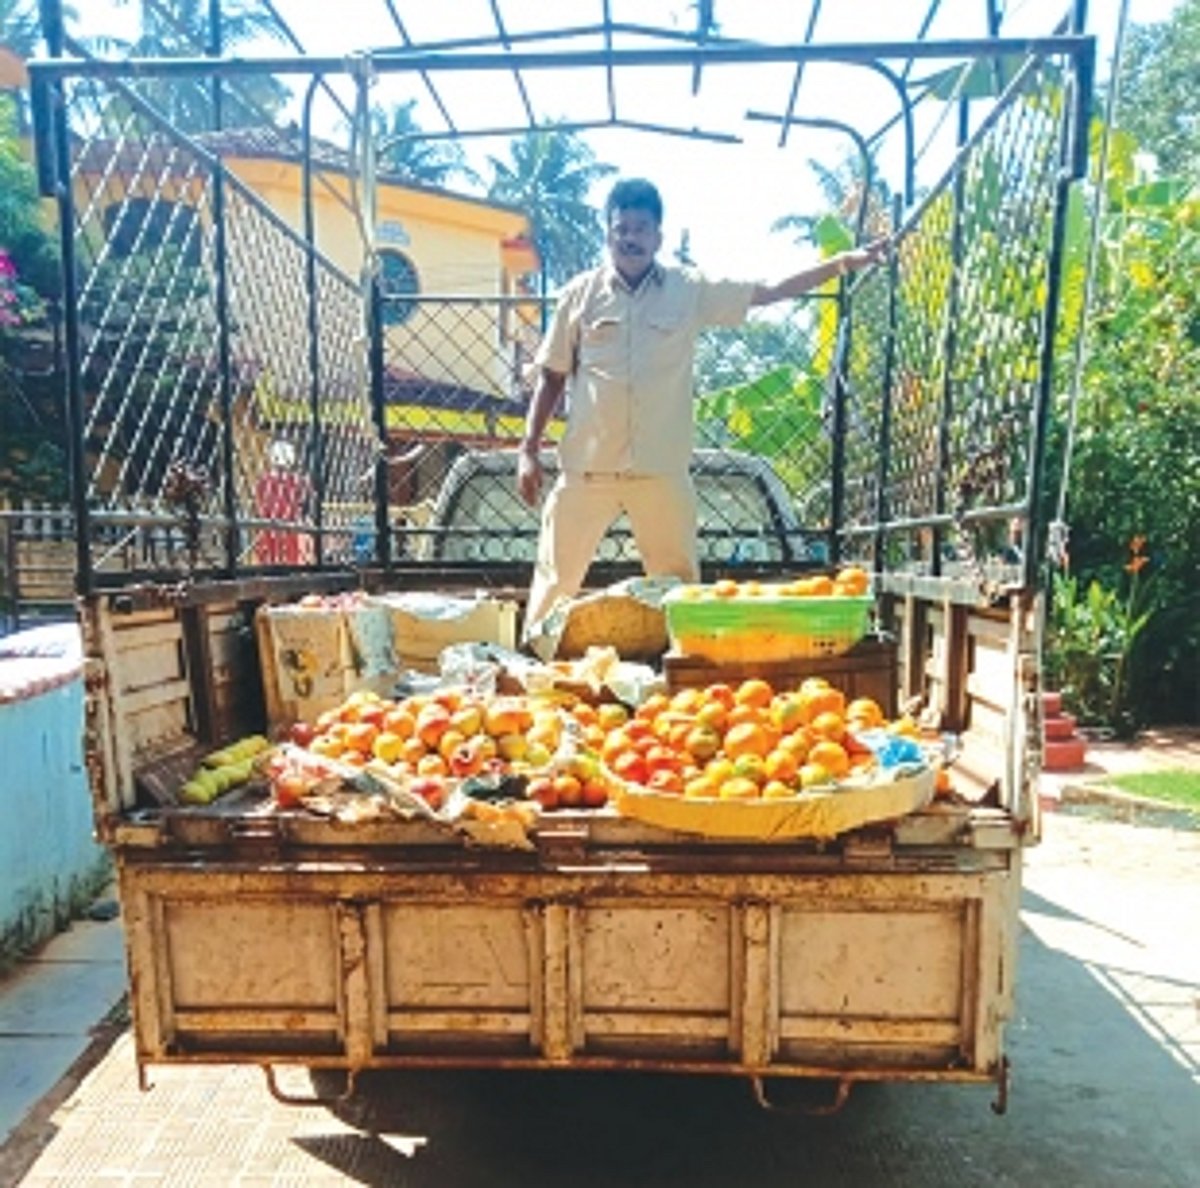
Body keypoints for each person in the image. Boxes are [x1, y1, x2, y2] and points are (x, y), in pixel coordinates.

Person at [517, 177, 887, 633]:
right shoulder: (579, 294)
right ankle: (530, 675)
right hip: (587, 470)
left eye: (640, 228)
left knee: (679, 594)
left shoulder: (688, 289)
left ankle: (680, 687)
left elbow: (767, 290)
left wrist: (843, 262)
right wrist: (528, 450)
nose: (630, 238)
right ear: (608, 234)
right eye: (621, 228)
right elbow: (552, 375)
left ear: (658, 236)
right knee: (553, 587)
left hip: (660, 470)